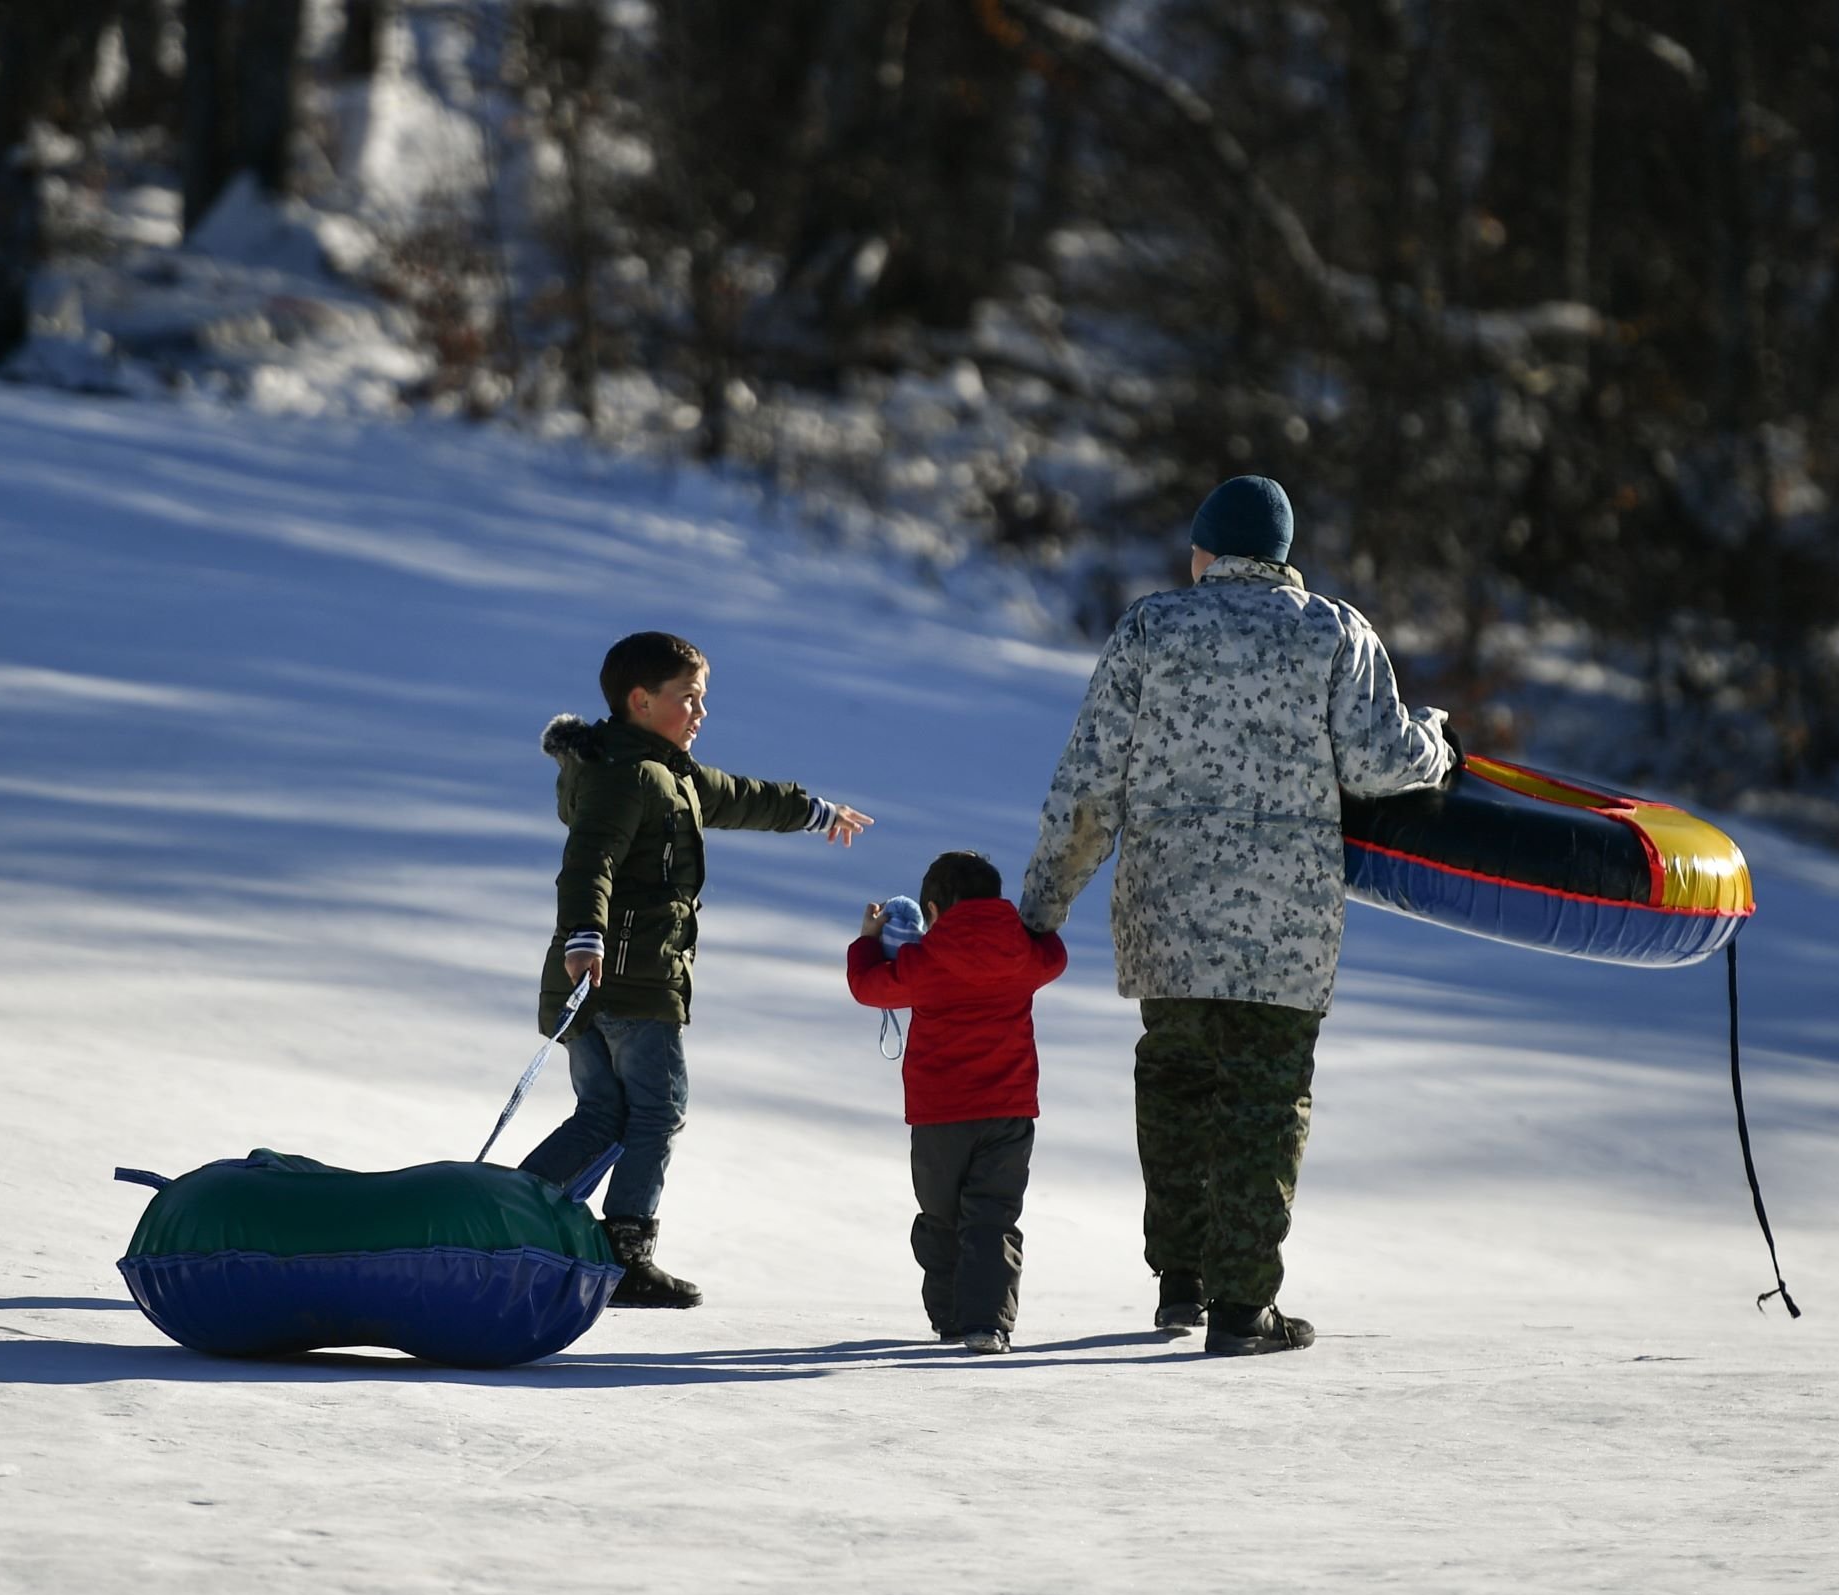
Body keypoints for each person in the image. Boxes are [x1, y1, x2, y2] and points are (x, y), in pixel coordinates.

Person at [1018, 476, 1457, 1356]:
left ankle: (1179, 1282)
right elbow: (1379, 763)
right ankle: (1241, 1306)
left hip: (1166, 916)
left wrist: (1042, 905)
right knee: (1264, 1099)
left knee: (1175, 1083)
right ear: (1282, 554)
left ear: (1205, 553)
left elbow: (1088, 785)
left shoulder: (1150, 629)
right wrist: (1437, 741)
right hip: (1284, 928)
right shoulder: (1335, 630)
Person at [522, 631, 872, 1308]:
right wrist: (585, 933)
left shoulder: (660, 770)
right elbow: (589, 860)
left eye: (702, 698)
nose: (700, 711)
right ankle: (626, 1253)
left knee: (603, 1114)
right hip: (628, 980)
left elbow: (740, 794)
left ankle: (506, 1216)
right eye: (689, 698)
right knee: (657, 1110)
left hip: (597, 979)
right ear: (641, 701)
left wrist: (813, 810)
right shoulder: (632, 776)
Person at [847, 851, 1068, 1356]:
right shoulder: (1021, 952)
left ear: (932, 907)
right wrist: (1036, 928)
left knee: (941, 1216)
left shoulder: (924, 960)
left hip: (939, 1114)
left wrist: (867, 941)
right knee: (992, 1217)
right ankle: (987, 1322)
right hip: (1009, 1109)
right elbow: (1054, 957)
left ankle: (949, 1315)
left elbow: (868, 987)